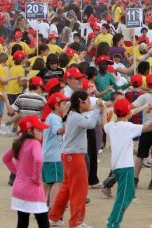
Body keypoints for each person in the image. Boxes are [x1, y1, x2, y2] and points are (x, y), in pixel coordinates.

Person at [48, 90, 105, 227]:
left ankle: (54, 217)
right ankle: (76, 222)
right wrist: (98, 108)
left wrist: (99, 106)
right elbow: (91, 124)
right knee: (79, 190)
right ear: (81, 102)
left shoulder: (73, 114)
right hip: (74, 156)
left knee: (67, 189)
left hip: (69, 155)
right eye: (87, 101)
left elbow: (88, 114)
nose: (89, 103)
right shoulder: (75, 116)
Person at [103, 98, 152, 228]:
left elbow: (104, 122)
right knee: (124, 197)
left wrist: (103, 108)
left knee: (128, 194)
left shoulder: (111, 126)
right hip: (125, 167)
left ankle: (113, 220)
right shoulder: (128, 127)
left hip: (118, 166)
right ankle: (113, 223)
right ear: (128, 114)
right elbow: (147, 127)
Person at [2, 115, 51, 228]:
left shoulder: (18, 143)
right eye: (38, 130)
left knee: (22, 222)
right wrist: (35, 177)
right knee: (43, 222)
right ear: (29, 130)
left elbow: (5, 158)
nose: (41, 132)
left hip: (19, 189)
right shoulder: (35, 143)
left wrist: (17, 171)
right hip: (33, 190)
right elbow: (38, 160)